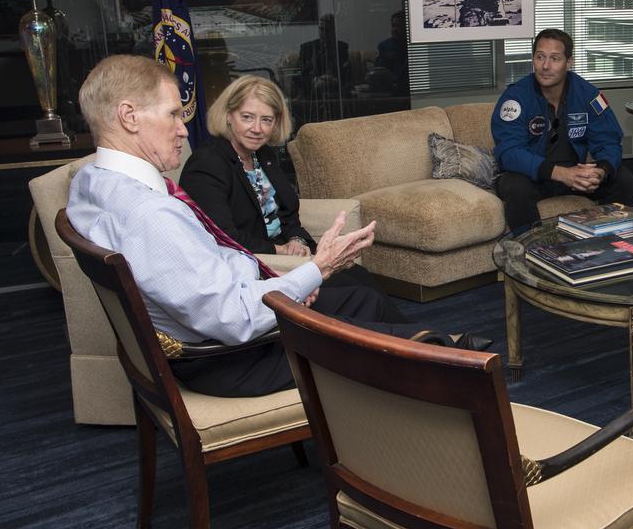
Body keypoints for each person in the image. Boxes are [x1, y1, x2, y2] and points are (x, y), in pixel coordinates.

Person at [66, 55, 484, 399]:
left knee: (365, 305)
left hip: (222, 332)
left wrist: (285, 272)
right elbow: (234, 317)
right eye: (174, 113)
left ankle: (443, 352)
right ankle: (451, 374)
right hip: (229, 358)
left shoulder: (91, 184)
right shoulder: (149, 214)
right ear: (128, 117)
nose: (181, 129)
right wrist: (315, 271)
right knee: (401, 355)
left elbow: (215, 258)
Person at [492, 28, 633, 231]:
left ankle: (613, 242)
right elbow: (509, 152)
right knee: (515, 186)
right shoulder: (515, 98)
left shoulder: (588, 94)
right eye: (540, 57)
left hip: (573, 174)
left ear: (569, 62)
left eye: (555, 58)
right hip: (533, 176)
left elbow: (609, 141)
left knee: (622, 178)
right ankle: (529, 253)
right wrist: (560, 173)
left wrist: (600, 171)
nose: (545, 66)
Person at [179, 75, 316, 258]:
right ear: (228, 116)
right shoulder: (207, 163)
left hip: (283, 255)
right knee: (355, 287)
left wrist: (297, 241)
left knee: (359, 277)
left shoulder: (262, 155)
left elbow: (288, 217)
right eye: (247, 117)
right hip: (251, 264)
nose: (257, 129)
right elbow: (222, 236)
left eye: (266, 120)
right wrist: (281, 251)